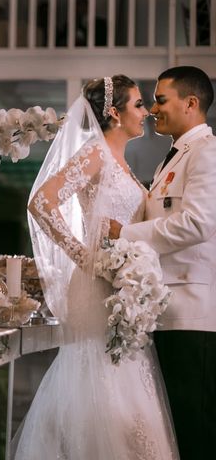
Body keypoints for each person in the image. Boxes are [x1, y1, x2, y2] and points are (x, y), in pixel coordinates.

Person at [12, 75, 179, 459]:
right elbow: (42, 203)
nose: (146, 113)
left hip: (123, 287)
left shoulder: (120, 161)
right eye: (138, 104)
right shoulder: (94, 154)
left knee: (123, 379)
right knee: (96, 379)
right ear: (115, 113)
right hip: (96, 284)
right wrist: (85, 256)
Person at [109, 65, 215, 459]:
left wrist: (124, 235)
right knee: (177, 434)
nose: (153, 109)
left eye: (160, 99)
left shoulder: (207, 152)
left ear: (191, 103)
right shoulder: (170, 160)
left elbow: (197, 224)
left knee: (194, 431)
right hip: (165, 311)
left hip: (192, 314)